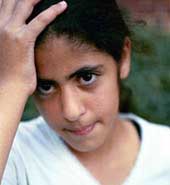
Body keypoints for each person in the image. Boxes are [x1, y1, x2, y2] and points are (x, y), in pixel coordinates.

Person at [0, 0, 170, 185]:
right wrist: (12, 83)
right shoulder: (15, 154)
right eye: (46, 87)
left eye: (87, 77)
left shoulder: (164, 153)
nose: (71, 112)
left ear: (123, 57)